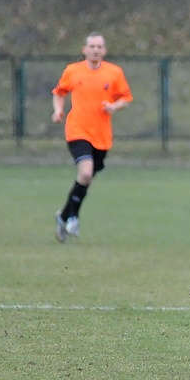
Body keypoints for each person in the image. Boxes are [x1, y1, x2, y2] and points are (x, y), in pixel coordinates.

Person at [51, 33, 133, 243]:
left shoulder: (114, 72)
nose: (95, 49)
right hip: (77, 130)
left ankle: (62, 215)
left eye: (99, 46)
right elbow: (59, 92)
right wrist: (58, 110)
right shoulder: (73, 70)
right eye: (92, 46)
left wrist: (113, 106)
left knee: (86, 179)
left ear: (104, 51)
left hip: (102, 135)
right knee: (86, 174)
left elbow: (125, 97)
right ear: (84, 49)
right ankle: (73, 217)